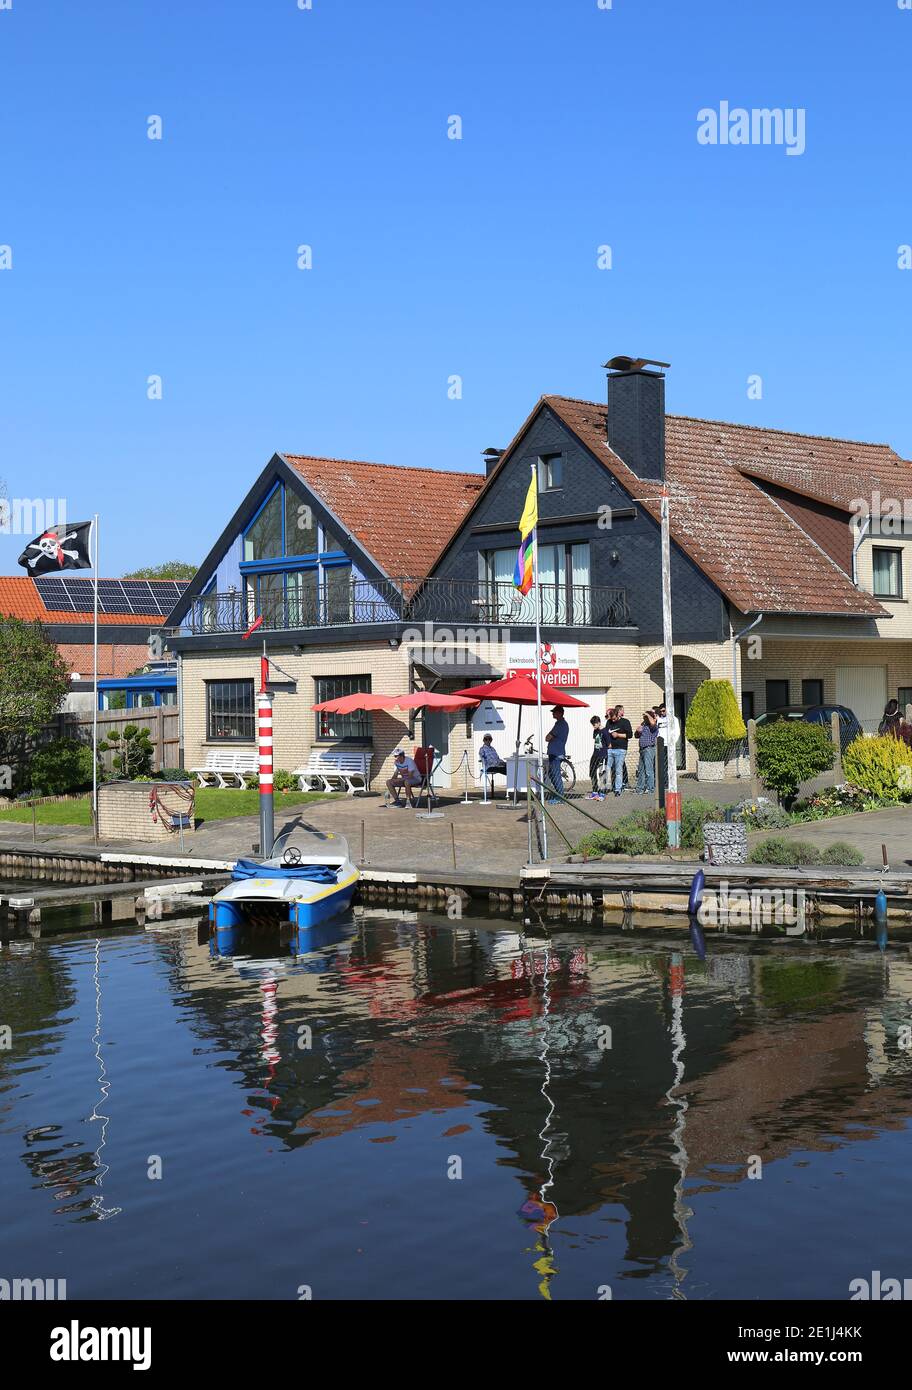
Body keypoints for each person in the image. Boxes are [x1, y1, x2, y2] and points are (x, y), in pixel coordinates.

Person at [602, 704, 633, 796]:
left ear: (618, 715)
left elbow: (630, 735)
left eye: (614, 718)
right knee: (607, 768)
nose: (613, 720)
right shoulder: (609, 722)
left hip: (621, 749)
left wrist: (618, 735)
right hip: (610, 749)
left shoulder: (625, 722)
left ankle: (618, 789)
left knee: (618, 770)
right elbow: (606, 734)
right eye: (611, 719)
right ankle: (606, 787)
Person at [544, 705, 569, 802]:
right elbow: (549, 737)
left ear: (560, 713)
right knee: (552, 774)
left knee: (556, 774)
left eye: (554, 712)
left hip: (556, 753)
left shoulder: (560, 724)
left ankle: (560, 797)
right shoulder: (560, 724)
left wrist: (552, 737)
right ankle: (558, 795)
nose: (553, 713)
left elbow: (547, 737)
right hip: (555, 752)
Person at [635, 708, 659, 793]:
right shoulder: (644, 725)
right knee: (641, 770)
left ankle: (650, 788)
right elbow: (636, 736)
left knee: (649, 770)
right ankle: (640, 789)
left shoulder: (653, 726)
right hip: (642, 749)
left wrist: (648, 714)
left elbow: (653, 722)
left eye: (645, 717)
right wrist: (637, 731)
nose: (644, 719)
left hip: (649, 748)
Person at [588, 715, 606, 798]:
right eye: (592, 725)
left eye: (594, 724)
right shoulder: (595, 731)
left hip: (602, 754)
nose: (593, 726)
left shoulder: (604, 731)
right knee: (592, 772)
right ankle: (595, 790)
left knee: (601, 773)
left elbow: (608, 744)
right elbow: (596, 741)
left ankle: (602, 791)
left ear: (599, 723)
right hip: (595, 754)